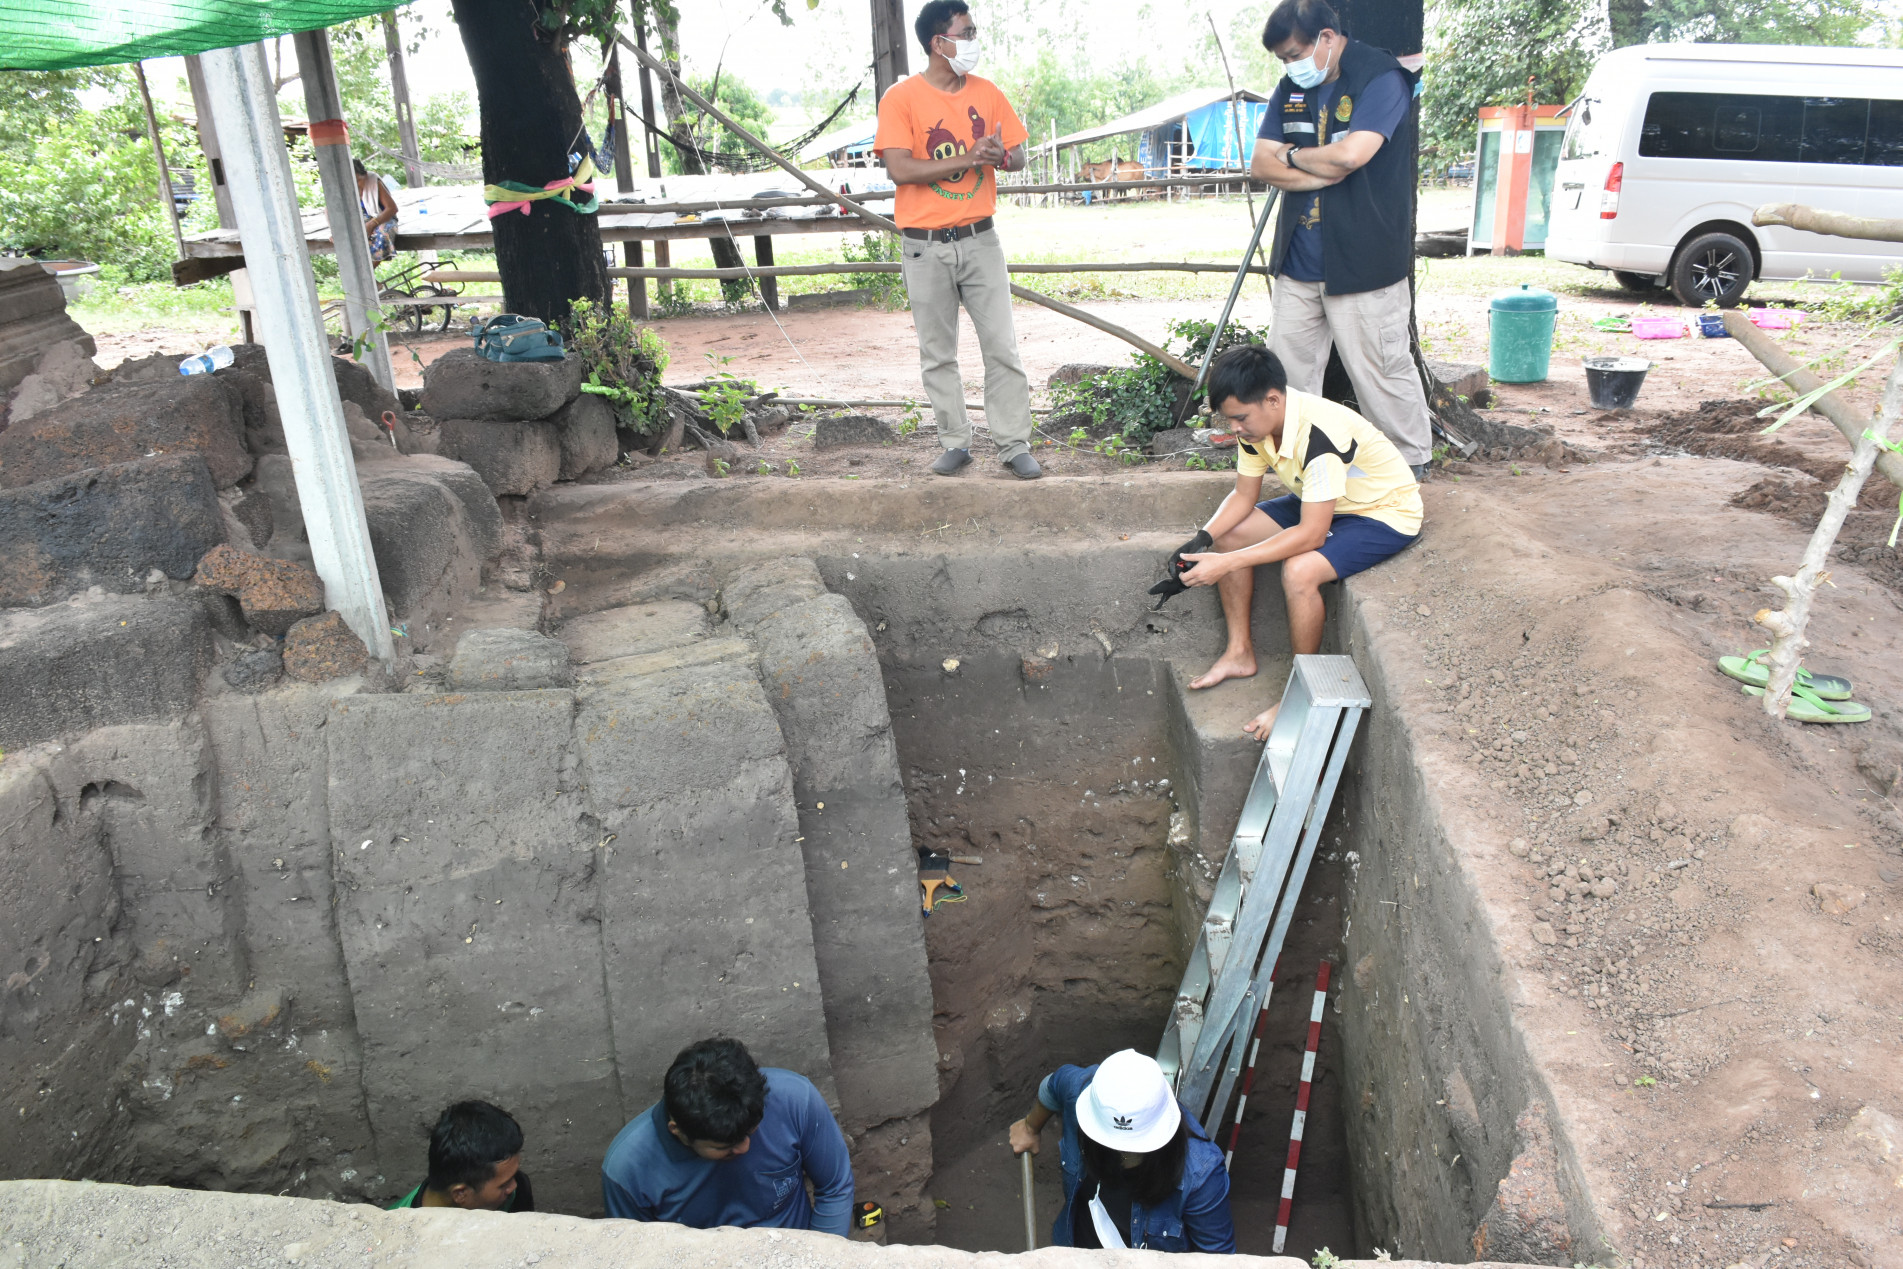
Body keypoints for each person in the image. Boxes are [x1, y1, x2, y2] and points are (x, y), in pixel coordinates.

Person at [1180, 345, 1421, 735]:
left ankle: (1299, 694)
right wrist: (1202, 538)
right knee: (1231, 535)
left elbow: (1310, 534)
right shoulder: (1255, 427)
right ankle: (1239, 652)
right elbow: (1244, 496)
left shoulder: (1318, 435)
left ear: (1273, 399)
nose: (1234, 428)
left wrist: (1228, 563)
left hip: (1380, 512)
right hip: (1328, 499)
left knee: (1299, 572)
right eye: (1230, 420)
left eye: (1240, 418)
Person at [1250, 0, 1434, 480]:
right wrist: (1316, 164)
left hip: (1365, 260)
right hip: (1298, 259)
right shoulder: (1291, 85)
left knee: (1381, 371)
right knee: (1286, 377)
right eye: (1282, 59)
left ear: (1327, 38)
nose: (1290, 67)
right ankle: (1296, 466)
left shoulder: (1381, 78)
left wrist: (1294, 159)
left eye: (1295, 54)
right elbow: (1261, 163)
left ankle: (1409, 467)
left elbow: (1352, 156)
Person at [874, 0, 1042, 481]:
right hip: (924, 245)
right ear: (938, 43)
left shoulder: (987, 93)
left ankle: (1013, 445)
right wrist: (968, 159)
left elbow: (1018, 157)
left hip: (980, 240)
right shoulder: (901, 99)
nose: (973, 41)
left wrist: (999, 157)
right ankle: (955, 441)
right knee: (937, 353)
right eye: (965, 33)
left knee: (1002, 348)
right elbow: (900, 168)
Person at [601, 1037, 855, 1235]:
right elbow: (638, 1252)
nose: (745, 1148)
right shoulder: (628, 1170)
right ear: (678, 1132)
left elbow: (835, 1187)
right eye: (727, 1146)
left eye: (751, 1132)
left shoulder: (795, 1100)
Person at [1008, 1049, 1234, 1253]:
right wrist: (1030, 1126)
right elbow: (1054, 1084)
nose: (1123, 1156)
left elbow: (1217, 1260)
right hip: (1077, 1252)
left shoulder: (1202, 1175)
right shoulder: (1086, 1092)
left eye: (1134, 1146)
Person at [388, 1100, 536, 1211]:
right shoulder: (398, 1232)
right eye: (503, 1185)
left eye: (512, 1177)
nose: (514, 1186)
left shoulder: (515, 1192)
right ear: (460, 1194)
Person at [354, 158, 399, 263]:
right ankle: (366, 275)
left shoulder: (373, 182)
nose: (355, 185)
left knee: (383, 233)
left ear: (365, 175)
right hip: (362, 219)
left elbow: (392, 209)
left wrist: (372, 224)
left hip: (382, 217)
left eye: (358, 181)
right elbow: (328, 210)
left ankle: (367, 274)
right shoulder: (346, 187)